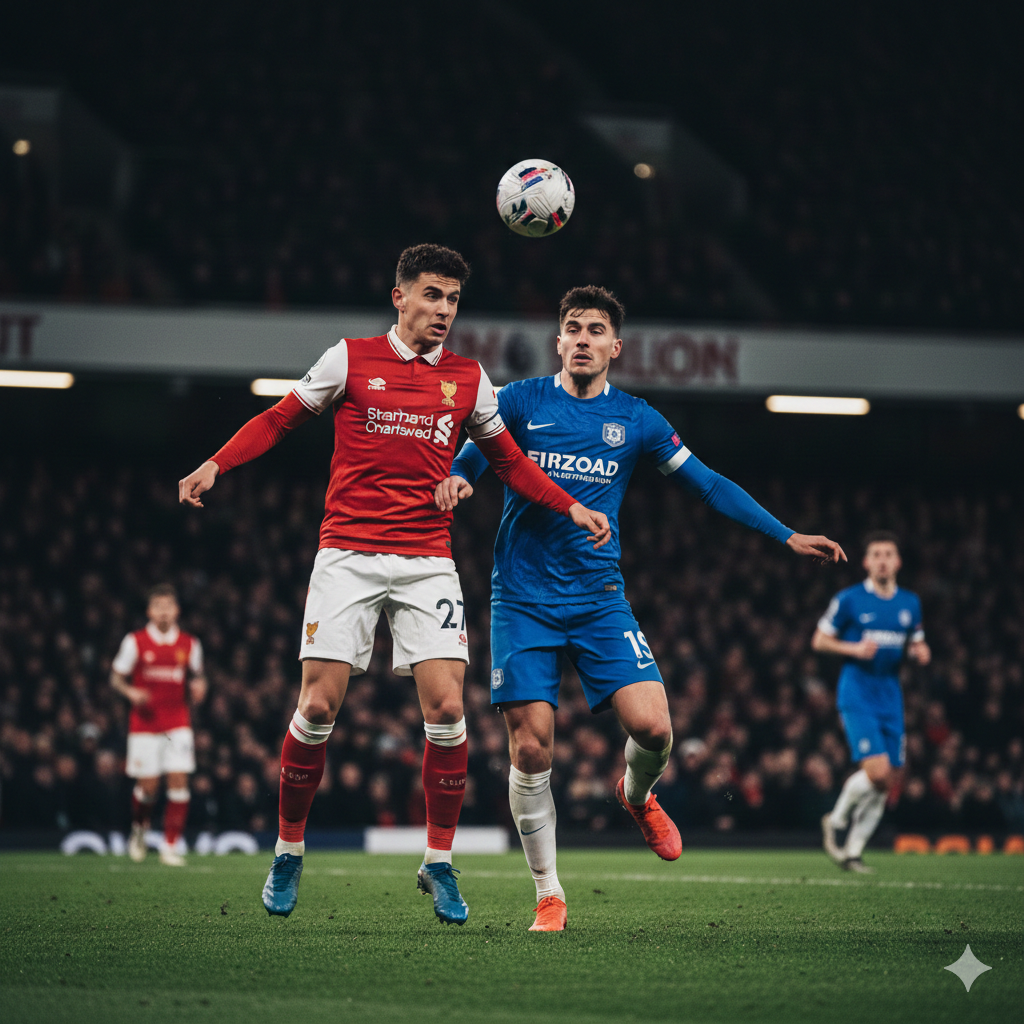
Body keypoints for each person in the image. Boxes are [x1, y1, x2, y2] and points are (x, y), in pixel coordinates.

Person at [178, 244, 609, 924]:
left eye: (453, 300)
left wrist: (571, 504)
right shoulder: (349, 358)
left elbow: (510, 463)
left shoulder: (469, 379)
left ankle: (438, 863)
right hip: (346, 554)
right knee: (317, 709)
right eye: (432, 296)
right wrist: (216, 464)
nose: (443, 310)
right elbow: (279, 419)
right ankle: (289, 850)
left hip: (425, 561)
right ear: (399, 297)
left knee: (447, 713)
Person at [435, 285, 846, 931]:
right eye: (572, 328)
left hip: (599, 600)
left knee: (655, 730)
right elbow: (477, 449)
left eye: (595, 330)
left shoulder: (638, 420)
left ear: (614, 347)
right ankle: (549, 893)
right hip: (523, 599)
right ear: (559, 341)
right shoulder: (519, 401)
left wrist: (785, 533)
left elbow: (707, 483)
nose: (581, 339)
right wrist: (462, 474)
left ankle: (636, 795)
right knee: (532, 750)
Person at [813, 531, 930, 872]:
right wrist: (853, 649)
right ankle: (836, 820)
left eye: (888, 554)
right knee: (877, 773)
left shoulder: (910, 603)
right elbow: (819, 640)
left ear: (897, 562)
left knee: (889, 779)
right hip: (857, 692)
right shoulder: (849, 599)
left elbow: (915, 643)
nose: (882, 560)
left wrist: (919, 651)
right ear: (866, 562)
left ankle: (852, 852)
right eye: (876, 554)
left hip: (891, 696)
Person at [111, 583, 207, 866]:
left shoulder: (190, 644)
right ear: (150, 611)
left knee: (179, 781)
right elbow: (116, 676)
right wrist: (130, 692)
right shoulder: (135, 641)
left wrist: (200, 687)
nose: (164, 612)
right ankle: (139, 831)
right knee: (149, 787)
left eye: (168, 606)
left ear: (176, 611)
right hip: (144, 724)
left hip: (177, 722)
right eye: (158, 607)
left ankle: (170, 846)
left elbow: (198, 676)